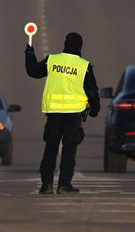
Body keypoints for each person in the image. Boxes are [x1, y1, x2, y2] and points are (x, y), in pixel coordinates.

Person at [25, 32, 100, 194]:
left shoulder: (52, 60)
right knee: (69, 149)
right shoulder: (83, 66)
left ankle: (46, 185)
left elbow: (33, 71)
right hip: (73, 114)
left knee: (50, 148)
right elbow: (92, 91)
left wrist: (29, 52)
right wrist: (95, 109)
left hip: (54, 113)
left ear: (65, 44)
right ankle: (64, 185)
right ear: (80, 46)